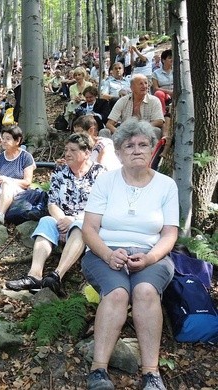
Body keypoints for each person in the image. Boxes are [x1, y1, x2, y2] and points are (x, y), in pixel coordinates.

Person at [81, 118, 179, 390]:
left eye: (143, 144)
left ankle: (151, 373)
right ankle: (98, 370)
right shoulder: (106, 182)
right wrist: (107, 254)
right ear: (119, 152)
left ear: (152, 150)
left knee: (146, 292)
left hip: (152, 255)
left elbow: (170, 234)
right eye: (129, 145)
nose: (136, 150)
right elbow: (89, 229)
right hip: (105, 252)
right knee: (118, 293)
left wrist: (149, 259)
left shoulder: (166, 185)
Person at [5, 133, 105, 294]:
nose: (67, 154)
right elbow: (52, 203)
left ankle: (57, 276)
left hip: (86, 220)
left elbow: (102, 206)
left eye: (73, 150)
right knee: (45, 220)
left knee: (80, 226)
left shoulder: (99, 173)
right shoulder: (60, 172)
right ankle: (34, 276)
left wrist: (73, 220)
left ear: (86, 153)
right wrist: (62, 221)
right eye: (66, 150)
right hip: (61, 219)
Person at [103, 74, 164, 139]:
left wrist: (143, 127)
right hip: (125, 134)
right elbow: (109, 124)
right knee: (104, 131)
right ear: (132, 88)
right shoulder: (123, 101)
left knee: (156, 130)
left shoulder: (154, 100)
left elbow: (159, 121)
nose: (144, 86)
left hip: (145, 133)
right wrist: (118, 132)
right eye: (140, 84)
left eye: (146, 83)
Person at [152, 49, 173, 115]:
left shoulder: (178, 70)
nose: (172, 59)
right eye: (169, 58)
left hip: (176, 92)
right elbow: (155, 88)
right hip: (164, 93)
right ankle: (162, 114)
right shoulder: (156, 73)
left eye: (173, 58)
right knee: (158, 93)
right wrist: (169, 92)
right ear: (163, 60)